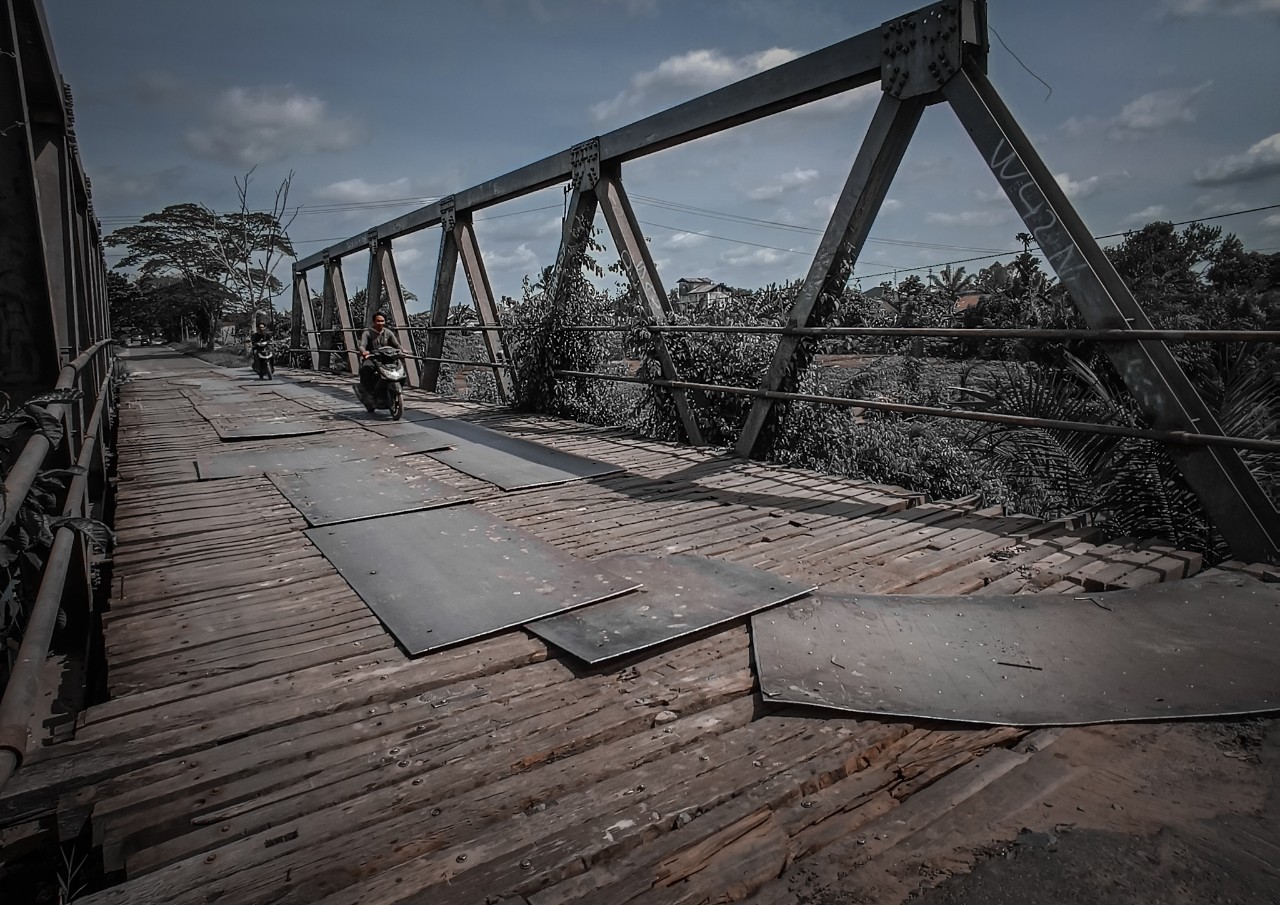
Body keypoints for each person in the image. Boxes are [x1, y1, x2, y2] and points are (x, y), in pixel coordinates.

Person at [358, 312, 402, 393]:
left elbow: (396, 345)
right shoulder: (367, 333)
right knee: (366, 368)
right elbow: (362, 345)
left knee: (398, 368)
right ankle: (367, 391)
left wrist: (401, 350)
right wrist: (364, 352)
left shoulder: (388, 332)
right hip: (372, 357)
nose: (380, 323)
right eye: (378, 321)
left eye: (382, 321)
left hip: (386, 358)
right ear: (374, 322)